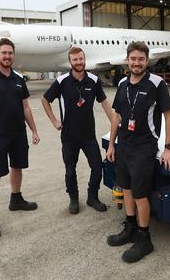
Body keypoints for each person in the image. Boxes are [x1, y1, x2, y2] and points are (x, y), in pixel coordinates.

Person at [105, 41, 170, 263]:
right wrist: (111, 143)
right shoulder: (123, 82)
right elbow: (117, 115)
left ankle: (145, 239)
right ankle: (131, 227)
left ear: (147, 61)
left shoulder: (157, 83)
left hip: (144, 147)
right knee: (126, 188)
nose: (137, 63)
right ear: (127, 60)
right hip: (124, 145)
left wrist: (168, 148)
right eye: (133, 59)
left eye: (141, 59)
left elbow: (169, 115)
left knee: (140, 194)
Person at [0, 38, 40, 240]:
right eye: (3, 53)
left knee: (17, 167)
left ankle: (16, 199)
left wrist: (34, 130)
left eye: (10, 53)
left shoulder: (19, 78)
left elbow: (26, 108)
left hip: (18, 133)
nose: (7, 56)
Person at [41, 47, 113, 214]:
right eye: (75, 60)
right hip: (69, 136)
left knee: (97, 167)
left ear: (84, 59)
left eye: (81, 59)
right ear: (70, 62)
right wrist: (54, 121)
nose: (79, 62)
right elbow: (45, 100)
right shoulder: (62, 81)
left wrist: (115, 124)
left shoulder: (94, 80)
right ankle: (73, 199)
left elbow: (105, 103)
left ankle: (92, 197)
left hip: (88, 135)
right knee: (70, 170)